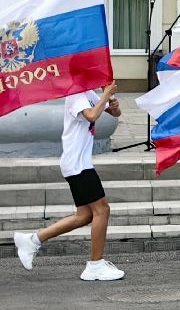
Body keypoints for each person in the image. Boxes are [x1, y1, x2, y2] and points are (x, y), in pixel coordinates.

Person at [13, 83, 125, 280]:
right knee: (102, 209)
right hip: (77, 164)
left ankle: (32, 240)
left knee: (84, 216)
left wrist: (113, 107)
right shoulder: (75, 94)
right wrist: (105, 94)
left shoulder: (89, 93)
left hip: (80, 163)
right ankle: (95, 265)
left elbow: (113, 113)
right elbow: (91, 115)